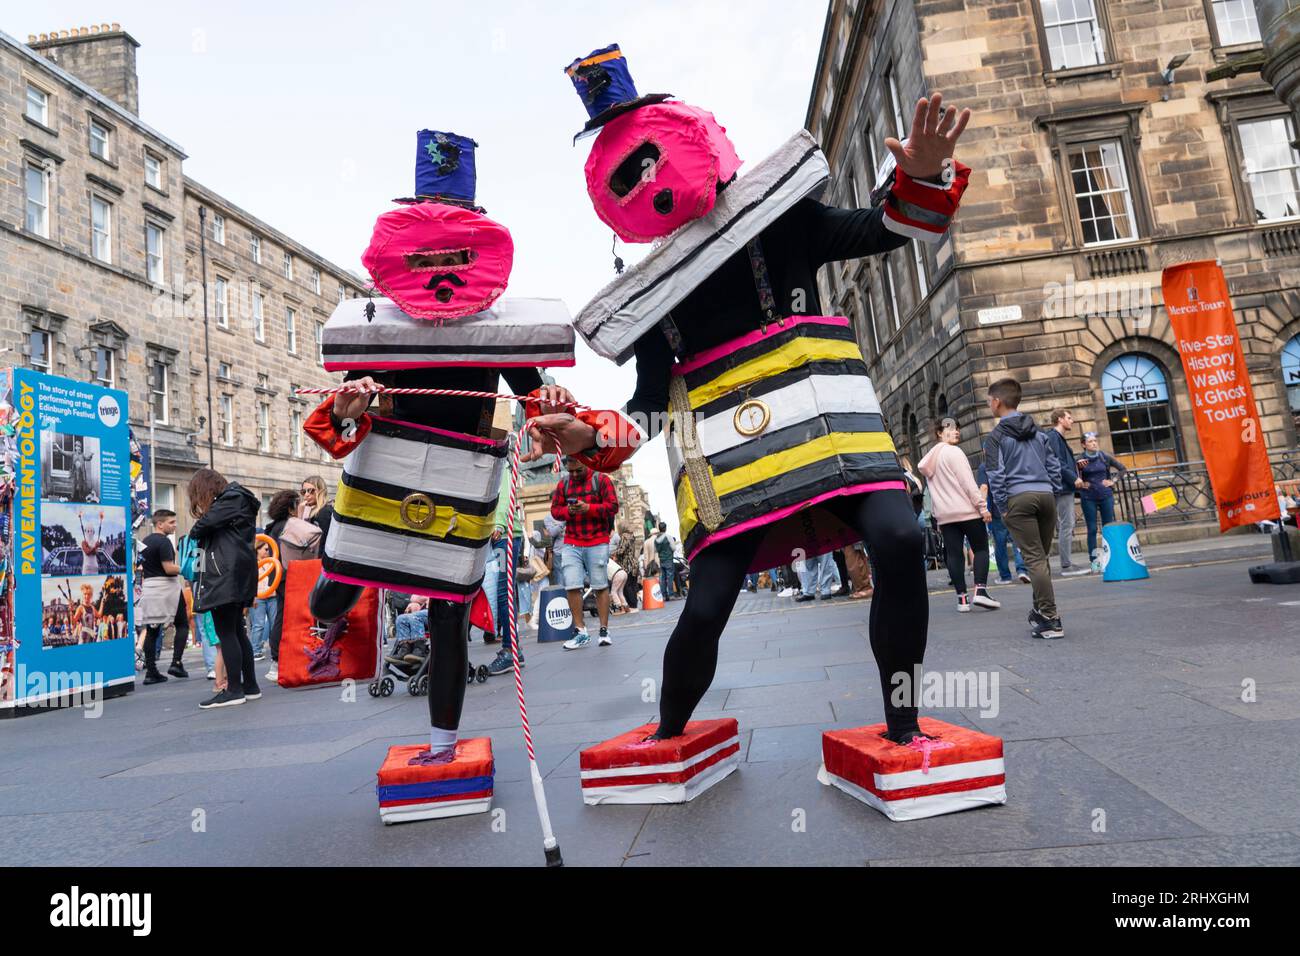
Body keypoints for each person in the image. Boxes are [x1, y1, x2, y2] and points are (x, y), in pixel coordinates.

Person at [527, 49, 971, 744]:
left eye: (653, 158)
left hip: (835, 437)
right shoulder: (651, 298)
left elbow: (887, 228)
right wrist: (590, 436)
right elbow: (650, 398)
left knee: (899, 537)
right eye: (631, 172)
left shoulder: (787, 220)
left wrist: (918, 175)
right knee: (704, 607)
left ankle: (904, 726)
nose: (650, 177)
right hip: (730, 469)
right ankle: (669, 731)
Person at [303, 130, 591, 765]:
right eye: (429, 253)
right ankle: (334, 605)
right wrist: (351, 406)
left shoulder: (499, 328)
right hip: (386, 470)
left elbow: (535, 391)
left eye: (453, 252)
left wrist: (553, 406)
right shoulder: (380, 322)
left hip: (463, 475)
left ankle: (441, 744)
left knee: (448, 609)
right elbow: (340, 408)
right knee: (330, 593)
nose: (438, 268)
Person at [982, 378, 1065, 640]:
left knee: (1034, 559)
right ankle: (1041, 612)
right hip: (1046, 496)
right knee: (1042, 558)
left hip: (1019, 498)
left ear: (997, 402)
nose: (988, 404)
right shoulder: (1039, 431)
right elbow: (1054, 465)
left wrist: (1003, 507)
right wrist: (1050, 490)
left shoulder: (995, 438)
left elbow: (996, 474)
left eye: (989, 400)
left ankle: (1051, 620)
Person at [188, 468, 261, 707]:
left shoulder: (230, 499)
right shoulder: (238, 499)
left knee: (227, 632)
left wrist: (204, 523)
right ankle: (250, 686)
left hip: (225, 575)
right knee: (238, 631)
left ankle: (234, 690)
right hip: (239, 572)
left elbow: (198, 529)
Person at [919, 417, 999, 613]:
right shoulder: (954, 452)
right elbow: (968, 484)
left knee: (954, 555)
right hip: (967, 511)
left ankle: (962, 599)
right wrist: (983, 507)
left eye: (957, 429)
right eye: (951, 428)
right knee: (980, 548)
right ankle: (980, 591)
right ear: (939, 432)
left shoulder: (930, 458)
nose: (956, 432)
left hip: (946, 515)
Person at [550, 457, 619, 649]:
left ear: (586, 464)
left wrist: (589, 508)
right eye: (570, 471)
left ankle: (604, 630)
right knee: (571, 585)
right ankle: (580, 631)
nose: (573, 475)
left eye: (577, 471)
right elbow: (555, 510)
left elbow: (614, 506)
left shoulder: (602, 480)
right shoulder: (563, 483)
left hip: (597, 539)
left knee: (600, 585)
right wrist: (569, 512)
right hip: (572, 541)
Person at [135, 509, 185, 684]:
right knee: (182, 624)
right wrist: (186, 569)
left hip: (150, 588)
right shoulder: (164, 542)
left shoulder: (145, 541)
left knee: (152, 630)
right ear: (160, 524)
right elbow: (169, 568)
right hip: (167, 588)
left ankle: (151, 672)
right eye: (171, 522)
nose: (174, 525)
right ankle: (176, 662)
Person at [1076, 431, 1128, 572]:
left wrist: (1113, 481)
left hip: (1106, 496)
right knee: (1092, 529)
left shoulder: (1103, 457)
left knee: (1108, 528)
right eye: (1090, 442)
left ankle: (1111, 559)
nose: (1094, 443)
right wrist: (1080, 483)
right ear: (1083, 445)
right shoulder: (1080, 461)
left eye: (1095, 441)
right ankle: (1095, 563)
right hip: (1088, 498)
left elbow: (1122, 469)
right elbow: (1075, 477)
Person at [261, 489, 299, 682]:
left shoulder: (273, 526)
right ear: (291, 507)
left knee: (281, 616)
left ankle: (278, 660)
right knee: (285, 617)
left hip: (278, 575)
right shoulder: (289, 525)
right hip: (289, 575)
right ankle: (278, 660)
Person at [1046, 410, 1089, 577]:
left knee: (1060, 525)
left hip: (1061, 486)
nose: (1072, 421)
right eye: (1069, 418)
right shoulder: (1054, 437)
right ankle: (1066, 566)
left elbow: (1061, 460)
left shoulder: (1057, 438)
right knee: (1066, 525)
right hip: (1061, 487)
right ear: (1060, 419)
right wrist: (1073, 477)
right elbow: (1056, 461)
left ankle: (1061, 564)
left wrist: (1076, 465)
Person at [977, 461, 1029, 585]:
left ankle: (1005, 576)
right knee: (1019, 543)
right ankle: (1022, 570)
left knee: (1000, 545)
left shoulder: (984, 466)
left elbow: (984, 487)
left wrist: (982, 508)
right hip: (1015, 507)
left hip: (997, 511)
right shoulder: (1009, 461)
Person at [298, 475, 334, 557]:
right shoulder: (310, 512)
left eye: (311, 491)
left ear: (320, 491)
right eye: (303, 492)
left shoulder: (324, 512)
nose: (306, 495)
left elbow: (320, 543)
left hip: (319, 561)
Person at [653, 522, 676, 602]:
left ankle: (663, 595)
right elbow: (673, 548)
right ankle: (671, 595)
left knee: (663, 578)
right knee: (670, 577)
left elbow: (655, 550)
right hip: (669, 559)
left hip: (661, 560)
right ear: (665, 528)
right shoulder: (668, 537)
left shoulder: (656, 539)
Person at [79, 509, 103, 574]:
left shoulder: (95, 542)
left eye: (91, 531)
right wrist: (95, 546)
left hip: (95, 568)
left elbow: (94, 553)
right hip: (87, 568)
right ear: (85, 531)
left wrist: (95, 546)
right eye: (88, 531)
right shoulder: (83, 542)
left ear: (94, 532)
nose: (90, 532)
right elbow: (87, 552)